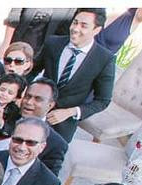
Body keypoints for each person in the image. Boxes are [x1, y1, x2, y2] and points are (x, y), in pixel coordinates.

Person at [33, 9, 115, 142]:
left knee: (51, 159)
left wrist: (70, 112)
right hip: (35, 109)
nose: (75, 28)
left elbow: (103, 100)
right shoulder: (53, 43)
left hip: (63, 123)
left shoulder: (104, 59)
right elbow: (33, 70)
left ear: (97, 30)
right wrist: (22, 94)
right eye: (75, 23)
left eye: (83, 25)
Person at [5, 77, 69, 175]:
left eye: (38, 99)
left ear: (50, 105)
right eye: (27, 96)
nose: (29, 102)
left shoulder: (56, 144)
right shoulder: (5, 115)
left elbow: (46, 182)